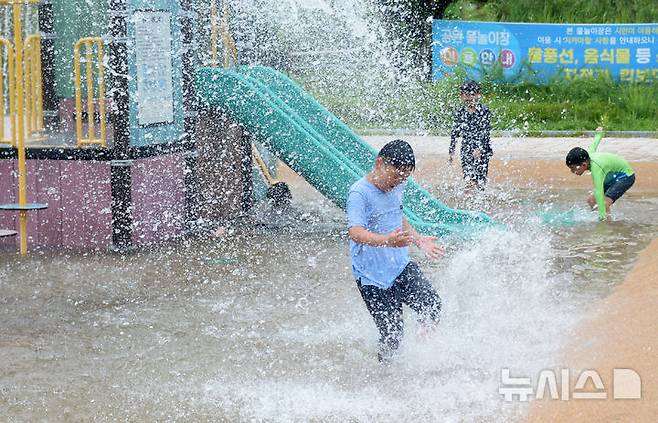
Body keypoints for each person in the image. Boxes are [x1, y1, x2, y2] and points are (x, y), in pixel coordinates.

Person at [346, 139, 445, 363]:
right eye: (396, 176)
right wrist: (386, 241)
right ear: (380, 163)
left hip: (399, 266)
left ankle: (422, 357)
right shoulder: (359, 194)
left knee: (432, 306)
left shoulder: (398, 185)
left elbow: (396, 215)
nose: (399, 182)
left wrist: (418, 240)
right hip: (372, 278)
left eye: (405, 177)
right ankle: (384, 378)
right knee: (393, 337)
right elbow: (355, 231)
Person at [565, 128, 635, 222]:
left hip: (626, 176)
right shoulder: (587, 156)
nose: (572, 171)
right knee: (591, 200)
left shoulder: (596, 168)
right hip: (612, 177)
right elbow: (594, 145)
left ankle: (605, 224)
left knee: (604, 203)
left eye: (573, 169)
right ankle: (607, 220)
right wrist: (599, 134)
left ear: (584, 165)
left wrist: (601, 215)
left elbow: (599, 191)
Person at [449, 81, 493, 189]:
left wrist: (480, 148)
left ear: (478, 95)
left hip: (483, 149)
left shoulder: (484, 111)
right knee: (468, 178)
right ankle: (469, 199)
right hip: (466, 148)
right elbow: (455, 133)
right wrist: (451, 151)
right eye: (467, 94)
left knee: (480, 180)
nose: (470, 97)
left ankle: (479, 196)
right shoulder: (460, 112)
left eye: (473, 94)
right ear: (462, 95)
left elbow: (486, 132)